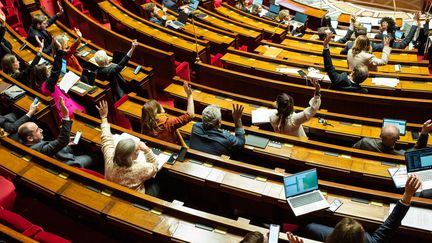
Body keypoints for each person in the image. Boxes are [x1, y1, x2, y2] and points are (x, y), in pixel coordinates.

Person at [292, 175, 421, 243]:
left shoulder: (313, 230)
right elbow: (391, 224)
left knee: (310, 227)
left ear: (334, 233)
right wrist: (408, 195)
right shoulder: (371, 242)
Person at [97, 100, 160, 196]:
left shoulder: (110, 158)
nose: (139, 150)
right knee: (155, 184)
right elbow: (154, 166)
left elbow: (106, 139)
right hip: (134, 198)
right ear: (129, 157)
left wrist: (104, 117)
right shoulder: (139, 168)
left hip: (113, 192)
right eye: (136, 151)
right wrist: (147, 150)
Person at [18, 97, 96, 168]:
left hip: (60, 153)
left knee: (80, 144)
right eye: (37, 130)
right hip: (68, 163)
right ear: (30, 138)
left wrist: (64, 143)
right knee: (98, 155)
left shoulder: (26, 142)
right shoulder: (38, 150)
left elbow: (51, 145)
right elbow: (56, 144)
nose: (41, 130)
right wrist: (65, 116)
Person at [32, 40, 86, 118]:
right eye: (47, 70)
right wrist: (60, 51)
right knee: (82, 110)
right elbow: (56, 70)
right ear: (43, 74)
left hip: (59, 101)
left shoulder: (38, 83)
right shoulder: (48, 83)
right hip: (64, 108)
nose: (49, 71)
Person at [353, 119, 431, 155]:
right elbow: (417, 150)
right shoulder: (400, 154)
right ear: (398, 139)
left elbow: (353, 150)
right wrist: (424, 132)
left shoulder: (365, 142)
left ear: (380, 136)